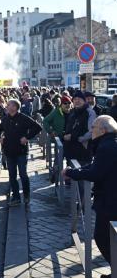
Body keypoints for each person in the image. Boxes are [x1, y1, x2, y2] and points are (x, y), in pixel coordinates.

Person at [62, 115, 117, 278]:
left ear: (103, 130)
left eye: (93, 127)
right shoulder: (109, 142)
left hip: (110, 200)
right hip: (110, 197)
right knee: (107, 237)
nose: (90, 130)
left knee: (102, 237)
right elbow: (96, 166)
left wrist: (71, 173)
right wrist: (76, 171)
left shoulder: (107, 146)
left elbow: (96, 173)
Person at [0, 99, 42, 206]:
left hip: (21, 151)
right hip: (9, 151)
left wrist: (27, 137)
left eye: (9, 105)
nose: (7, 106)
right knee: (12, 175)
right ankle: (16, 198)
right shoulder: (5, 119)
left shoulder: (23, 118)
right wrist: (1, 137)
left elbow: (38, 127)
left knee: (23, 174)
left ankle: (26, 195)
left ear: (14, 107)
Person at [64, 90, 96, 167]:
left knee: (82, 175)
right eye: (75, 99)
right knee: (70, 174)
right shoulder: (72, 112)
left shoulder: (89, 112)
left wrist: (75, 138)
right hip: (70, 150)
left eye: (79, 99)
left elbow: (91, 132)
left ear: (84, 101)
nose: (77, 101)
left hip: (83, 151)